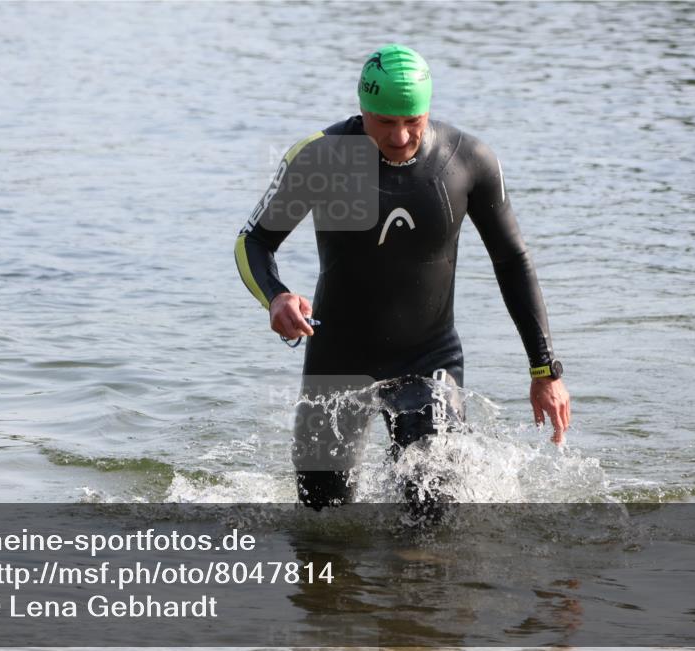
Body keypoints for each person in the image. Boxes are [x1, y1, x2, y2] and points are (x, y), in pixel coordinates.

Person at [234, 44, 571, 510]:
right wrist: (276, 296)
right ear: (362, 109)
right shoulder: (322, 157)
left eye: (413, 121)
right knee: (321, 521)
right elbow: (253, 241)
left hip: (428, 358)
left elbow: (512, 261)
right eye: (385, 121)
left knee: (434, 506)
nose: (399, 136)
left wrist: (544, 370)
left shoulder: (466, 159)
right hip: (338, 359)